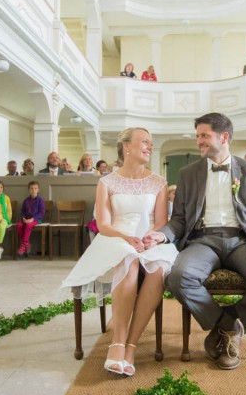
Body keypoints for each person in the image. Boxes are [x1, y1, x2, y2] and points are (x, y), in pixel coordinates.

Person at [143, 112, 246, 371]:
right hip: (202, 241)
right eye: (198, 135)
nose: (198, 141)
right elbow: (178, 219)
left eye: (204, 135)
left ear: (224, 137)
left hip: (243, 242)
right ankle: (230, 329)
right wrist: (163, 234)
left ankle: (225, 325)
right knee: (178, 278)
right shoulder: (188, 173)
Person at [60, 128, 177, 376]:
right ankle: (117, 343)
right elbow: (103, 224)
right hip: (115, 238)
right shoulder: (106, 182)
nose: (149, 146)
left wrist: (150, 238)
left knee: (159, 270)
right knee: (128, 258)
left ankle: (131, 347)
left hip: (149, 240)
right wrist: (127, 238)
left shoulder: (158, 182)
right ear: (126, 146)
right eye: (144, 141)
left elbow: (160, 221)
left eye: (151, 142)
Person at [16, 180, 45, 257]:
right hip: (26, 219)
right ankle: (27, 244)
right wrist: (23, 218)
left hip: (36, 220)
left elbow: (41, 212)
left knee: (28, 225)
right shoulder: (26, 200)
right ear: (29, 190)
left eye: (35, 188)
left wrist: (32, 219)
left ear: (38, 190)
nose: (33, 190)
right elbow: (22, 211)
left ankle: (23, 245)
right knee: (19, 225)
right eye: (31, 188)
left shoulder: (40, 201)